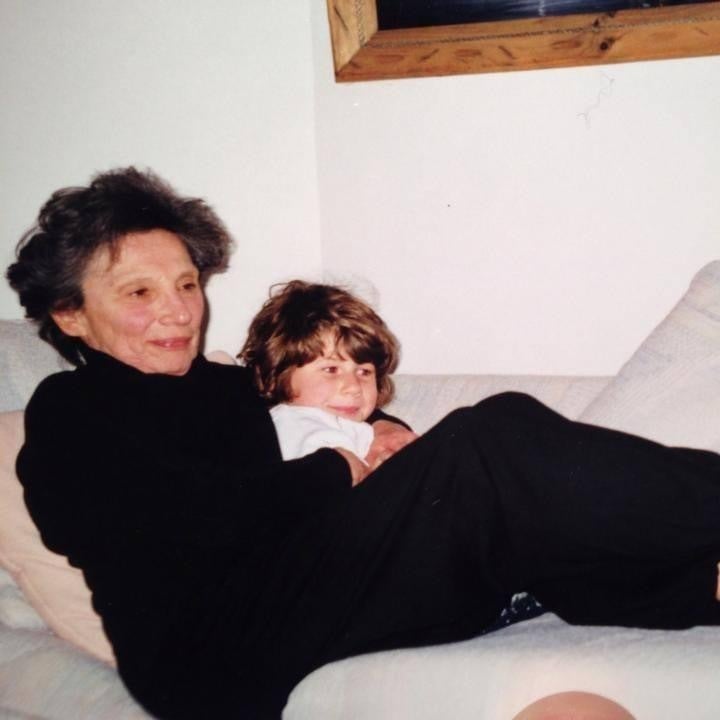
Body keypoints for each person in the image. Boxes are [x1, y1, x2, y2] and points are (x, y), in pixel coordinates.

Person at [6, 167, 720, 720]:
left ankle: (704, 588)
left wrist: (383, 432)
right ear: (70, 314)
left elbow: (321, 417)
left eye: (187, 283)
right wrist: (334, 469)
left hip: (308, 593)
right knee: (488, 442)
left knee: (508, 497)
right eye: (139, 293)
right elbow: (187, 522)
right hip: (214, 658)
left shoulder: (228, 388)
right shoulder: (71, 410)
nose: (178, 310)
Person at [240, 280, 410, 470]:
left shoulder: (344, 424)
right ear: (277, 374)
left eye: (364, 372)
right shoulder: (299, 425)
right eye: (331, 370)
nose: (354, 387)